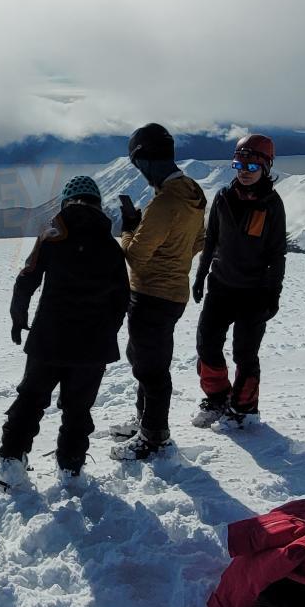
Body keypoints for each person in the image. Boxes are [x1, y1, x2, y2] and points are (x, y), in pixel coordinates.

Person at [0, 175, 130, 492]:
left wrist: (18, 316)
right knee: (78, 408)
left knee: (30, 400)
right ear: (96, 203)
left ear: (67, 202)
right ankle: (71, 469)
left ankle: (10, 463)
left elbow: (26, 279)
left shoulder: (52, 236)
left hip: (48, 338)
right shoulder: (110, 246)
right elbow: (122, 298)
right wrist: (108, 330)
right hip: (93, 346)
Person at [109, 123, 207, 461]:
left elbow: (134, 257)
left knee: (150, 368)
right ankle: (145, 421)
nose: (139, 172)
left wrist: (128, 228)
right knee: (145, 360)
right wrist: (171, 254)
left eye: (137, 165)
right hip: (173, 292)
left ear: (145, 159)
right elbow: (198, 241)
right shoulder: (193, 191)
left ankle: (154, 436)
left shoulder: (165, 202)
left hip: (151, 294)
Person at [191, 134, 286, 430]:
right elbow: (212, 241)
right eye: (239, 164)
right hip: (221, 286)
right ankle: (218, 397)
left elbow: (277, 254)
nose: (244, 171)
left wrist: (273, 293)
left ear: (266, 168)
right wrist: (200, 275)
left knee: (244, 353)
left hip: (254, 292)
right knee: (207, 344)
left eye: (252, 166)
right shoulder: (223, 197)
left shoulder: (271, 205)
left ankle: (244, 409)